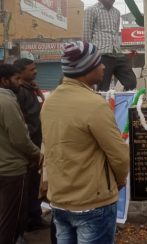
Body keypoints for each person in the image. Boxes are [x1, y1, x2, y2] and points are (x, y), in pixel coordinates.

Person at [41, 41, 129, 243]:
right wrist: (120, 180)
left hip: (60, 201)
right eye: (99, 63)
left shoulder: (50, 102)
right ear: (86, 69)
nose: (104, 67)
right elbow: (119, 154)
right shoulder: (94, 104)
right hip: (92, 203)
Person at [0, 64, 41, 244]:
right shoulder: (7, 102)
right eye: (16, 79)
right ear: (4, 80)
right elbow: (19, 138)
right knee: (12, 216)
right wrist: (36, 153)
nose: (19, 82)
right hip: (12, 169)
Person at [13, 58, 50, 233]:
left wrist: (40, 94)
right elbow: (22, 121)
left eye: (35, 68)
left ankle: (34, 217)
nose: (35, 71)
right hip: (29, 146)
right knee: (29, 185)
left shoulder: (31, 89)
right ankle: (29, 221)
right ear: (20, 73)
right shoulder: (20, 92)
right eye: (31, 69)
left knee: (35, 183)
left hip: (36, 142)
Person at [83, 0, 136, 91]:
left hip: (116, 53)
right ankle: (103, 106)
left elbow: (115, 33)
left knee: (131, 81)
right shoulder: (91, 11)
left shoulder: (116, 12)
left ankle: (125, 105)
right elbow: (86, 36)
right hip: (101, 54)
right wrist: (90, 59)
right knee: (103, 87)